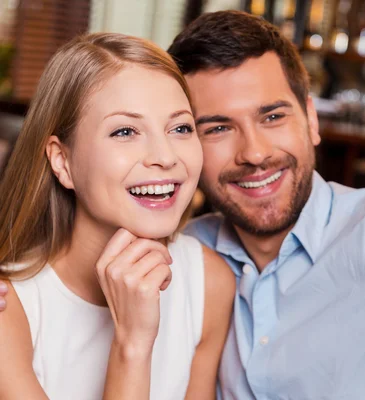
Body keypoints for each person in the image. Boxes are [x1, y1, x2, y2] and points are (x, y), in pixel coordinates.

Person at [2, 10, 365, 399]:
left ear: (312, 120)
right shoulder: (199, 256)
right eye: (212, 127)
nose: (255, 152)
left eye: (273, 116)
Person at [0, 33, 234, 399]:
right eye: (125, 131)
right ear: (62, 161)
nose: (165, 156)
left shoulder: (209, 282)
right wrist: (133, 345)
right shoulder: (9, 309)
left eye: (180, 128)